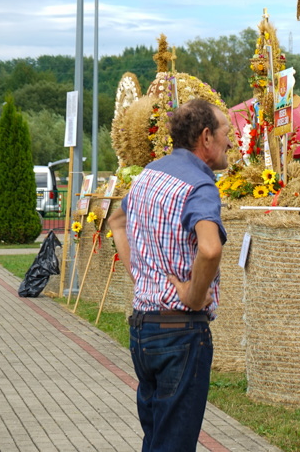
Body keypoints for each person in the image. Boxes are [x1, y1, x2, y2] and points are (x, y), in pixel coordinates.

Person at [109, 98, 232, 451]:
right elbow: (210, 248)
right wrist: (194, 294)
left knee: (157, 440)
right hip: (181, 334)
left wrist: (142, 273)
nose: (231, 141)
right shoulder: (200, 187)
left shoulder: (149, 174)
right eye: (226, 132)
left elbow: (117, 221)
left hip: (143, 331)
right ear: (206, 137)